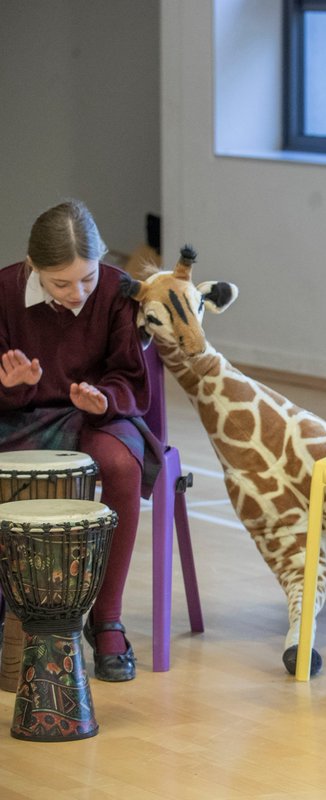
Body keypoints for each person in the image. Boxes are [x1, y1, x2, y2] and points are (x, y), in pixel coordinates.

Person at [0, 199, 159, 682]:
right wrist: (13, 386)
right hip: (19, 415)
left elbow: (131, 378)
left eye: (86, 278)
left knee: (120, 465)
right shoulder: (3, 291)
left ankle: (106, 619)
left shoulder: (115, 290)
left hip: (95, 415)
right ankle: (14, 610)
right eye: (61, 283)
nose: (77, 292)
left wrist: (103, 398)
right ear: (33, 267)